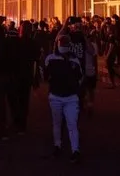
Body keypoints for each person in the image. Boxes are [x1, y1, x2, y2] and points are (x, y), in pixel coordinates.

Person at [44, 35, 83, 163]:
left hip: (61, 96)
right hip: (67, 96)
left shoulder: (51, 59)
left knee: (60, 123)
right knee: (69, 124)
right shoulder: (73, 60)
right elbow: (80, 78)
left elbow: (45, 75)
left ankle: (63, 147)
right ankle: (71, 149)